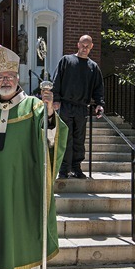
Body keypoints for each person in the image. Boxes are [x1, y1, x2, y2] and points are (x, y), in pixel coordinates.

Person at [0, 46, 68, 269]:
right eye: (1, 77)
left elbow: (51, 141)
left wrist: (49, 114)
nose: (6, 81)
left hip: (23, 185)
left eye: (10, 77)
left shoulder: (34, 107)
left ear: (18, 79)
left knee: (19, 228)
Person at [52, 34, 105, 179]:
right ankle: (64, 169)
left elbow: (98, 88)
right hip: (66, 105)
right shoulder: (66, 60)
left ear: (91, 47)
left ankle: (76, 168)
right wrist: (55, 98)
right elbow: (57, 80)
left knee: (79, 139)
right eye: (82, 45)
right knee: (65, 138)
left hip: (82, 107)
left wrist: (99, 104)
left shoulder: (93, 67)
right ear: (78, 44)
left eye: (87, 46)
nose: (84, 48)